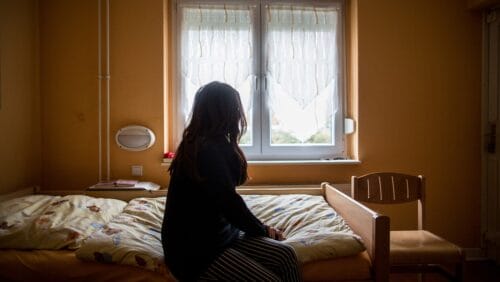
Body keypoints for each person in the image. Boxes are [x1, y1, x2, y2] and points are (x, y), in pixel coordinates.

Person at [161, 81, 301, 281]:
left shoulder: (210, 142)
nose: (239, 114)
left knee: (285, 255)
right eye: (235, 108)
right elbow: (230, 203)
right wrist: (263, 230)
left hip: (221, 236)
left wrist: (259, 230)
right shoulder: (206, 149)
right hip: (197, 253)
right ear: (223, 112)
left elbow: (228, 197)